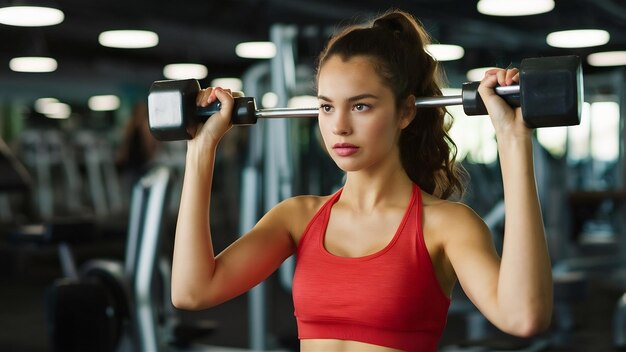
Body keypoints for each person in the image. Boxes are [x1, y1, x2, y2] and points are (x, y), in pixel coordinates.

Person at [171, 9, 553, 352]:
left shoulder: (446, 225)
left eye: (360, 106)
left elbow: (523, 318)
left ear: (405, 111)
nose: (339, 126)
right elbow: (192, 292)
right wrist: (202, 149)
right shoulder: (297, 217)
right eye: (326, 106)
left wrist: (513, 139)